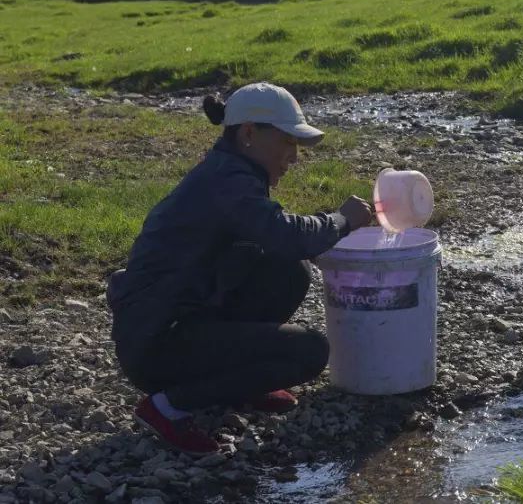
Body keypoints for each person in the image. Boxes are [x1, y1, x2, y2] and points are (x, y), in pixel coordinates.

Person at [106, 82, 373, 455]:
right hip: (157, 343)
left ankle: (240, 387)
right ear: (249, 133)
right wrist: (340, 221)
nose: (293, 157)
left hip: (170, 325)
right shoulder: (227, 181)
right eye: (287, 142)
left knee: (290, 272)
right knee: (309, 351)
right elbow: (282, 233)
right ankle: (168, 406)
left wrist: (315, 242)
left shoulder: (228, 172)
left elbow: (278, 243)